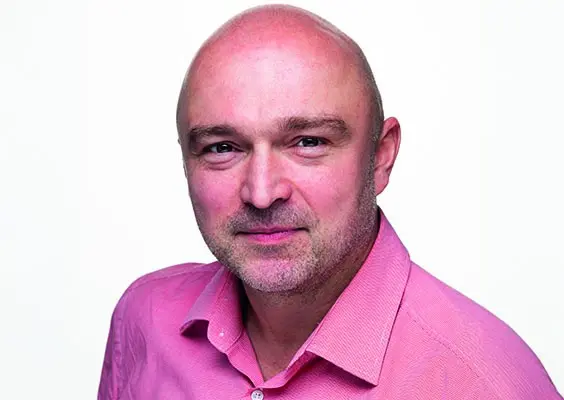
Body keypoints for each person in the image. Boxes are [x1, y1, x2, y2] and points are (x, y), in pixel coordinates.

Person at [98, 4, 562, 399]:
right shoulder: (146, 322)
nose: (262, 193)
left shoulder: (484, 384)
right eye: (222, 148)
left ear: (380, 157)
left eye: (308, 142)